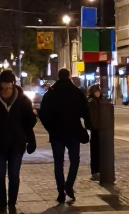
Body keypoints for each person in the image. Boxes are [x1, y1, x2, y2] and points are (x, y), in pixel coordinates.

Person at [0, 70, 38, 214]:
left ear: (13, 84)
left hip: (16, 145)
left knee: (13, 176)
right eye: (3, 84)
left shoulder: (22, 100)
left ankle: (12, 205)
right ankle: (2, 207)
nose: (6, 87)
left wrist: (32, 115)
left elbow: (29, 122)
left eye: (9, 84)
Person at [37, 69, 92, 203]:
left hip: (56, 133)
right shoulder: (77, 92)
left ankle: (61, 191)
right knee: (75, 161)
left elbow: (42, 114)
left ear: (58, 77)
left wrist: (50, 128)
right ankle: (69, 185)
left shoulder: (51, 93)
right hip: (73, 132)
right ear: (69, 77)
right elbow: (85, 111)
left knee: (58, 163)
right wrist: (88, 125)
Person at [87, 84, 103, 181]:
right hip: (95, 129)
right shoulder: (91, 101)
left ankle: (99, 170)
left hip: (100, 129)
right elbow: (91, 116)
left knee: (100, 151)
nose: (99, 92)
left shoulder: (100, 100)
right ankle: (95, 171)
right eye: (97, 91)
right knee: (95, 151)